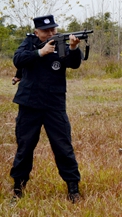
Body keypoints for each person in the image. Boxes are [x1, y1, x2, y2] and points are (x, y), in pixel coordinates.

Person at [10, 15, 83, 203]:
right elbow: (18, 59)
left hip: (54, 104)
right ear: (36, 32)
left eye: (53, 30)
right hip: (30, 104)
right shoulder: (29, 43)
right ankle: (18, 188)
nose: (51, 33)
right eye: (46, 31)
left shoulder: (60, 44)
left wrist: (74, 48)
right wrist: (40, 53)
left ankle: (73, 188)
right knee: (25, 147)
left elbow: (74, 63)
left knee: (63, 147)